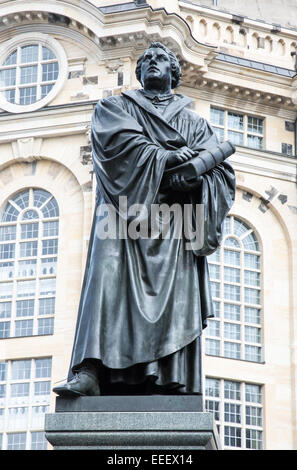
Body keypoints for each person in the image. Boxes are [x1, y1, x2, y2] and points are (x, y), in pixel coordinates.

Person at [53, 42, 235, 400]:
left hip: (174, 223)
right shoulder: (116, 106)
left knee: (174, 296)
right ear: (139, 72)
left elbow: (222, 175)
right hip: (122, 216)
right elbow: (115, 143)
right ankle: (90, 370)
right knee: (105, 279)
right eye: (147, 59)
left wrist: (197, 178)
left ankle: (167, 377)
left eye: (161, 59)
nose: (153, 62)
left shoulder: (195, 122)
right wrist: (165, 158)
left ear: (174, 72)